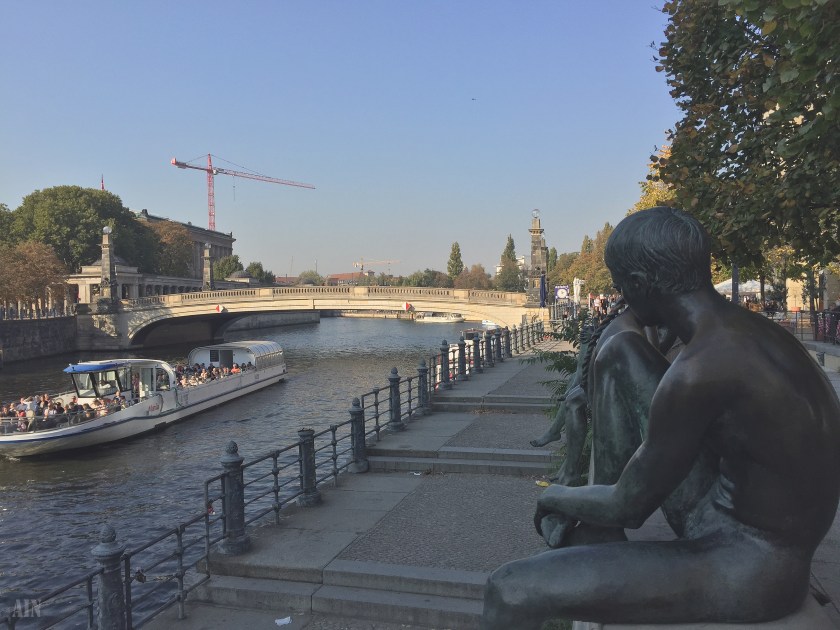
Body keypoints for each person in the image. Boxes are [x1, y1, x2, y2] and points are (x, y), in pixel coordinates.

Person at [482, 207, 840, 628]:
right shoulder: (752, 333)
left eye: (620, 285)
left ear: (638, 284)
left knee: (509, 589)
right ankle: (599, 535)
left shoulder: (699, 369)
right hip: (753, 531)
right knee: (620, 351)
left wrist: (553, 496)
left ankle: (594, 534)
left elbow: (629, 505)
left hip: (749, 567)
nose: (620, 297)